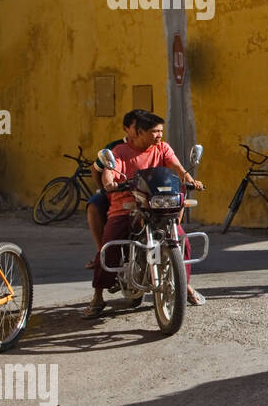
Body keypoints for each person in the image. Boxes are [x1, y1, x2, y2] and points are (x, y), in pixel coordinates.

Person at [83, 110, 205, 319]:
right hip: (127, 205)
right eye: (154, 132)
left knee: (182, 240)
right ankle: (98, 295)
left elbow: (176, 167)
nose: (159, 135)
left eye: (160, 131)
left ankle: (184, 286)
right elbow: (109, 172)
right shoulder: (120, 151)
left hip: (157, 204)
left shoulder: (162, 148)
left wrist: (189, 179)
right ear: (137, 133)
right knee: (110, 243)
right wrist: (110, 183)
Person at [85, 111, 138, 267]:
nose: (140, 132)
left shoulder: (158, 146)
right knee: (94, 205)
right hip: (119, 193)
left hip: (147, 194)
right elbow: (96, 170)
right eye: (137, 128)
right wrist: (105, 189)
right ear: (126, 129)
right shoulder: (115, 148)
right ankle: (101, 252)